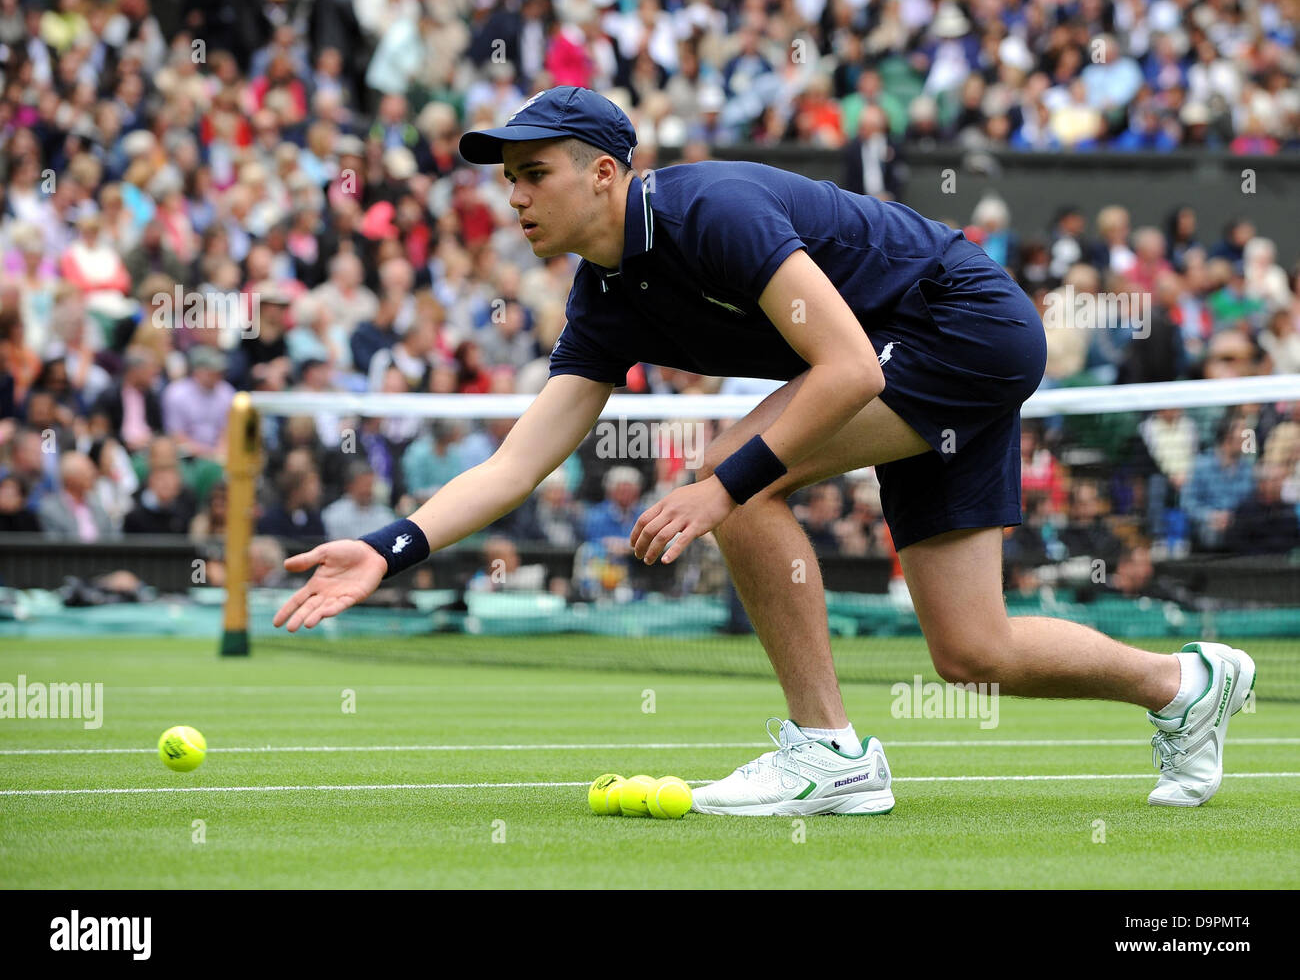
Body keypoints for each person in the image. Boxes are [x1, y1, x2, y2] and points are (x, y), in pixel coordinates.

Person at [273, 86, 1255, 814]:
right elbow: (516, 464)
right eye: (509, 179)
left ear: (604, 175)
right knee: (971, 651)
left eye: (533, 175)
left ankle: (827, 752)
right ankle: (1186, 686)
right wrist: (390, 548)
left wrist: (721, 489)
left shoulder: (712, 214)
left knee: (733, 471)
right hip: (918, 358)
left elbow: (846, 372)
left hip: (966, 330)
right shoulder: (602, 301)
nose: (514, 198)